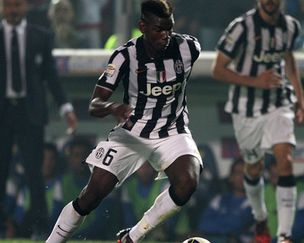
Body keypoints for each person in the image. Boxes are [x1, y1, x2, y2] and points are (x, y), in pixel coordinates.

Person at [45, 0, 203, 242]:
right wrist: (113, 107)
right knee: (92, 195)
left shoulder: (189, 48)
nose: (166, 35)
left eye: (169, 28)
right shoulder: (124, 56)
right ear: (143, 26)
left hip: (173, 130)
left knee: (187, 182)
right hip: (132, 132)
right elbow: (94, 105)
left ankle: (132, 237)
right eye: (159, 29)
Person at [212, 0, 304, 242]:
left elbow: (289, 58)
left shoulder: (290, 27)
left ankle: (285, 235)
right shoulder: (241, 27)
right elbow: (218, 69)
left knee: (284, 161)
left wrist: (299, 96)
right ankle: (260, 216)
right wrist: (256, 81)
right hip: (246, 109)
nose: (270, 1)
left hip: (278, 102)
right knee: (254, 167)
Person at [0, 0, 77, 237]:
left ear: (25, 7)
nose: (13, 10)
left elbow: (50, 75)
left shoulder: (40, 36)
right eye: (8, 5)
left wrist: (66, 107)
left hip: (30, 112)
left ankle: (39, 226)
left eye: (17, 5)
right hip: (2, 112)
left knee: (35, 172)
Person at [197, 158, 254, 243]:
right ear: (231, 177)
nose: (242, 177)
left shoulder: (253, 201)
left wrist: (219, 221)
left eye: (246, 173)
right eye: (238, 173)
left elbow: (238, 224)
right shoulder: (219, 199)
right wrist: (228, 223)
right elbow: (204, 224)